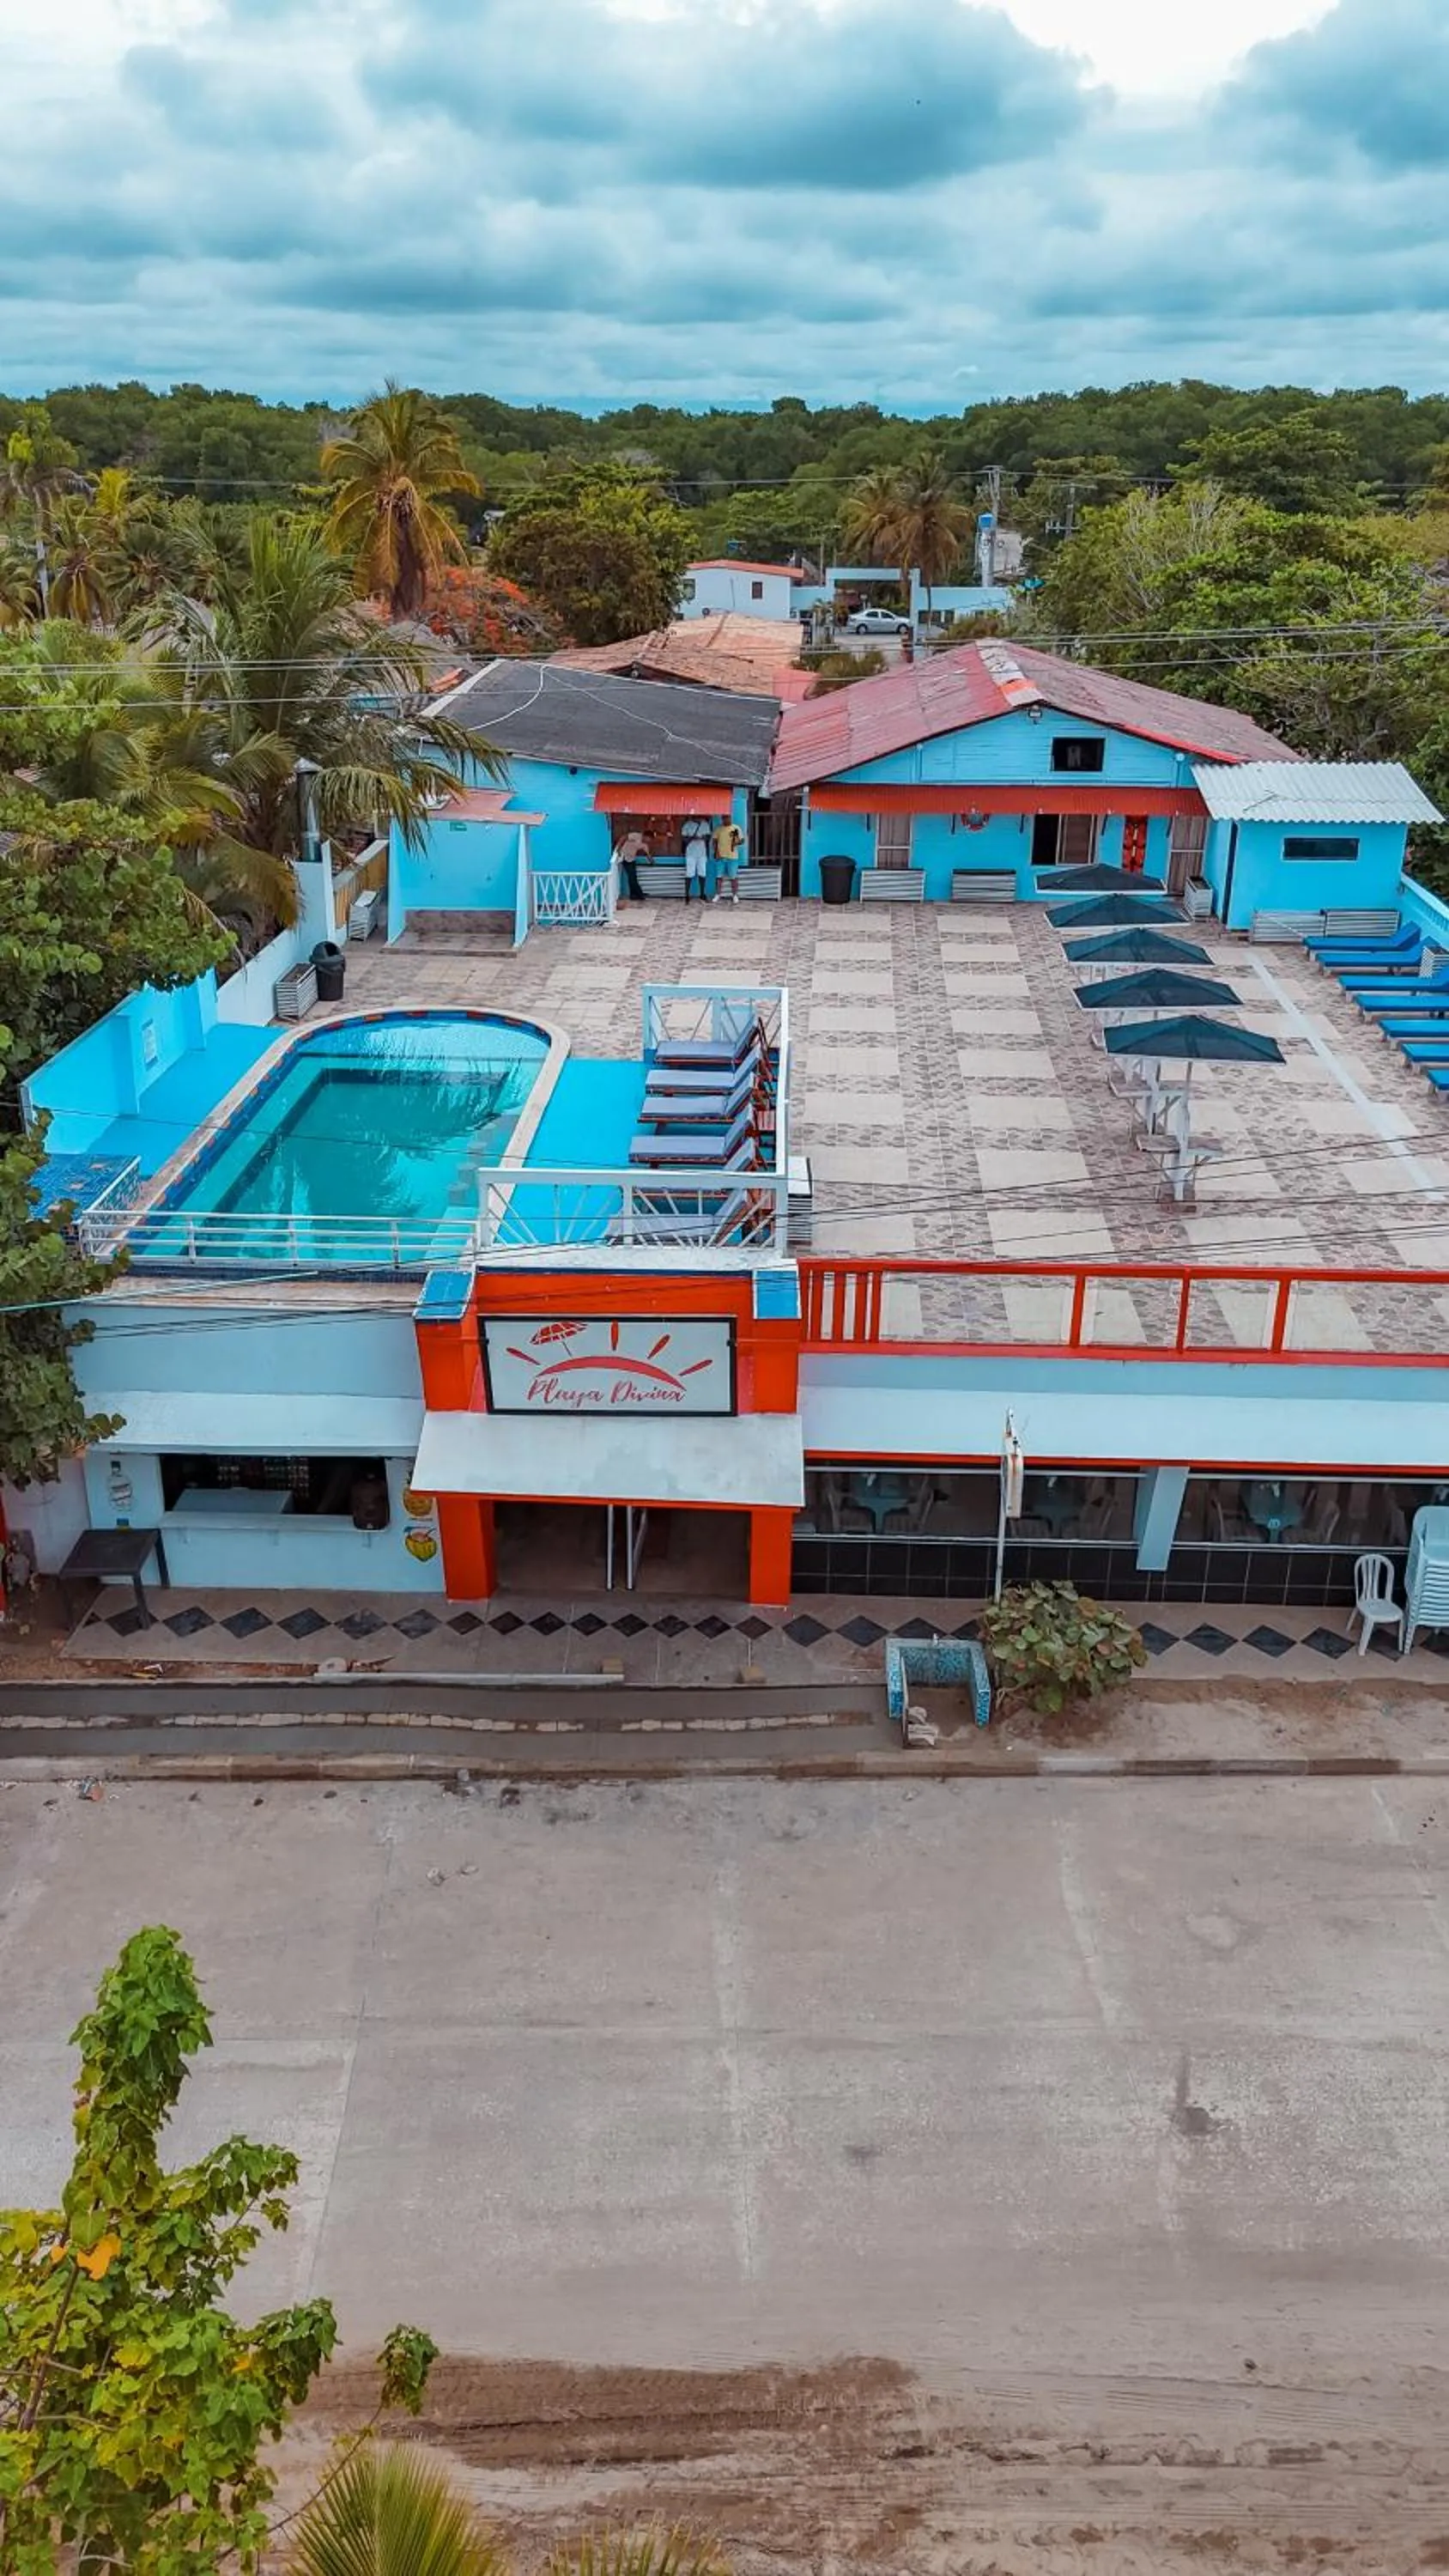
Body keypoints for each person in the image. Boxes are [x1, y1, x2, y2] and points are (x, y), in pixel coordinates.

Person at [712, 817, 746, 902]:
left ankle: (735, 895)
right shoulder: (719, 829)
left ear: (731, 818)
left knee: (733, 877)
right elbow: (714, 841)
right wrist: (716, 853)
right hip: (721, 857)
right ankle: (717, 894)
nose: (726, 820)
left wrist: (736, 843)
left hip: (733, 857)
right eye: (724, 818)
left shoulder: (736, 828)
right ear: (722, 819)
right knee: (718, 877)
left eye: (728, 818)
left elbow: (742, 840)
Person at [682, 813, 712, 903]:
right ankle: (687, 895)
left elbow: (708, 837)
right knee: (689, 874)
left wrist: (703, 837)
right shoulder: (687, 825)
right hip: (690, 853)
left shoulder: (705, 824)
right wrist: (692, 837)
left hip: (702, 853)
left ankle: (702, 894)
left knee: (702, 874)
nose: (699, 817)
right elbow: (684, 839)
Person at [615, 827, 649, 900]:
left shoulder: (644, 845)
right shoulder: (637, 836)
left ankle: (634, 895)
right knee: (632, 877)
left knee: (633, 877)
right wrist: (618, 848)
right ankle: (640, 895)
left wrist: (652, 862)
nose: (649, 841)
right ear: (646, 836)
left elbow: (648, 854)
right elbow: (623, 837)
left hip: (632, 859)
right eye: (649, 839)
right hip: (624, 857)